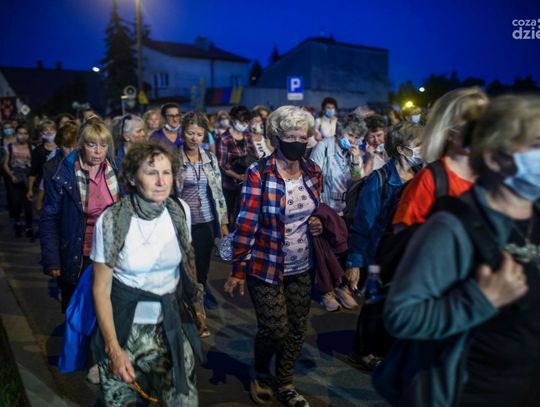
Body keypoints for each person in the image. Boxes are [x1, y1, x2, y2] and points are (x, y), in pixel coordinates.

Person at [376, 94, 540, 406]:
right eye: (536, 145)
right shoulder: (452, 226)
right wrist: (481, 299)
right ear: (494, 157)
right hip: (467, 391)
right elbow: (402, 316)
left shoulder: (534, 216)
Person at [91, 141, 204, 406]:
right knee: (122, 401)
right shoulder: (112, 220)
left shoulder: (180, 211)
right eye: (151, 173)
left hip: (170, 325)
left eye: (166, 172)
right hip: (125, 329)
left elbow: (188, 265)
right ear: (132, 178)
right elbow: (100, 289)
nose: (161, 181)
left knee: (183, 400)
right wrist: (114, 349)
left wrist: (197, 307)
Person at [224, 106, 323, 407]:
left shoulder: (313, 171)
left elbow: (317, 210)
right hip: (265, 263)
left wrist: (318, 222)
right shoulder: (260, 173)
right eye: (290, 137)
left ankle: (286, 382)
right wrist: (238, 269)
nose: (297, 142)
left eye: (302, 137)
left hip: (302, 264)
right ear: (277, 138)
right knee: (274, 328)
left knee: (296, 328)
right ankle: (260, 371)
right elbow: (246, 223)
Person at [345, 122, 423, 369]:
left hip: (407, 252)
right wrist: (354, 261)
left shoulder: (423, 176)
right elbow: (363, 223)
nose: (423, 149)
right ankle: (363, 351)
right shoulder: (380, 179)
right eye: (418, 145)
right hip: (378, 254)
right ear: (401, 149)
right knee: (375, 304)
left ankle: (386, 350)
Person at [40, 120, 120, 313]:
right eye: (92, 145)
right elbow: (50, 218)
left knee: (108, 310)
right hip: (80, 254)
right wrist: (52, 259)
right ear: (81, 145)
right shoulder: (63, 174)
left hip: (112, 252)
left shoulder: (117, 170)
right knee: (78, 310)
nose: (98, 151)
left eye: (103, 145)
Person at [392, 87, 488, 231]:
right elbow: (403, 234)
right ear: (448, 130)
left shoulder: (494, 173)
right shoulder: (429, 180)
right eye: (471, 121)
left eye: (485, 119)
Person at [177, 112, 228, 314]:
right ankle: (189, 297)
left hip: (207, 219)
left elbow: (218, 191)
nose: (194, 138)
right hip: (184, 221)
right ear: (183, 132)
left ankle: (202, 291)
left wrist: (223, 222)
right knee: (185, 262)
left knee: (203, 262)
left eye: (199, 134)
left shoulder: (210, 158)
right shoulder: (173, 158)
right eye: (190, 133)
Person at [216, 105, 257, 224]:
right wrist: (238, 176)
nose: (244, 124)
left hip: (246, 183)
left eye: (246, 122)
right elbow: (222, 164)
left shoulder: (248, 136)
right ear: (233, 120)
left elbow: (253, 155)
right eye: (241, 121)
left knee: (244, 216)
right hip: (229, 185)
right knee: (228, 217)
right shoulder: (224, 138)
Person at [2, 124, 33, 237]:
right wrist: (11, 175)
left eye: (25, 133)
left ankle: (29, 227)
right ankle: (18, 222)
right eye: (20, 133)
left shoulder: (32, 148)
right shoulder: (10, 147)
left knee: (28, 205)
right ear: (16, 134)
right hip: (14, 175)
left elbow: (34, 165)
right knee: (15, 204)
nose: (23, 136)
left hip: (27, 177)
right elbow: (5, 164)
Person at [26, 120, 57, 211]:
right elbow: (33, 171)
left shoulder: (62, 148)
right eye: (45, 130)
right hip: (43, 187)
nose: (49, 132)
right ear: (41, 133)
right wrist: (30, 189)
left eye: (52, 129)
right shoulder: (37, 151)